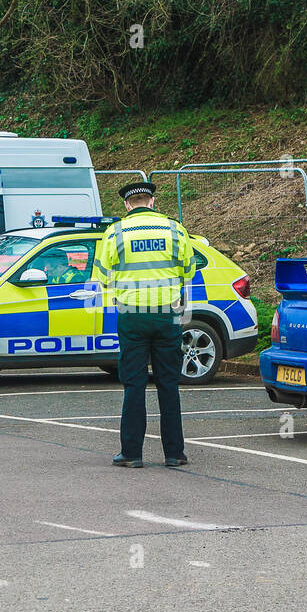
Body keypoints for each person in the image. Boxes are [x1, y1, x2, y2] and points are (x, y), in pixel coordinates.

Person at [96, 181, 194, 468]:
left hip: (132, 315)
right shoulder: (175, 230)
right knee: (168, 384)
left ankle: (132, 454)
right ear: (151, 202)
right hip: (168, 315)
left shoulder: (115, 232)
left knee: (134, 384)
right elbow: (188, 269)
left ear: (128, 205)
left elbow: (103, 275)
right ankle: (174, 453)